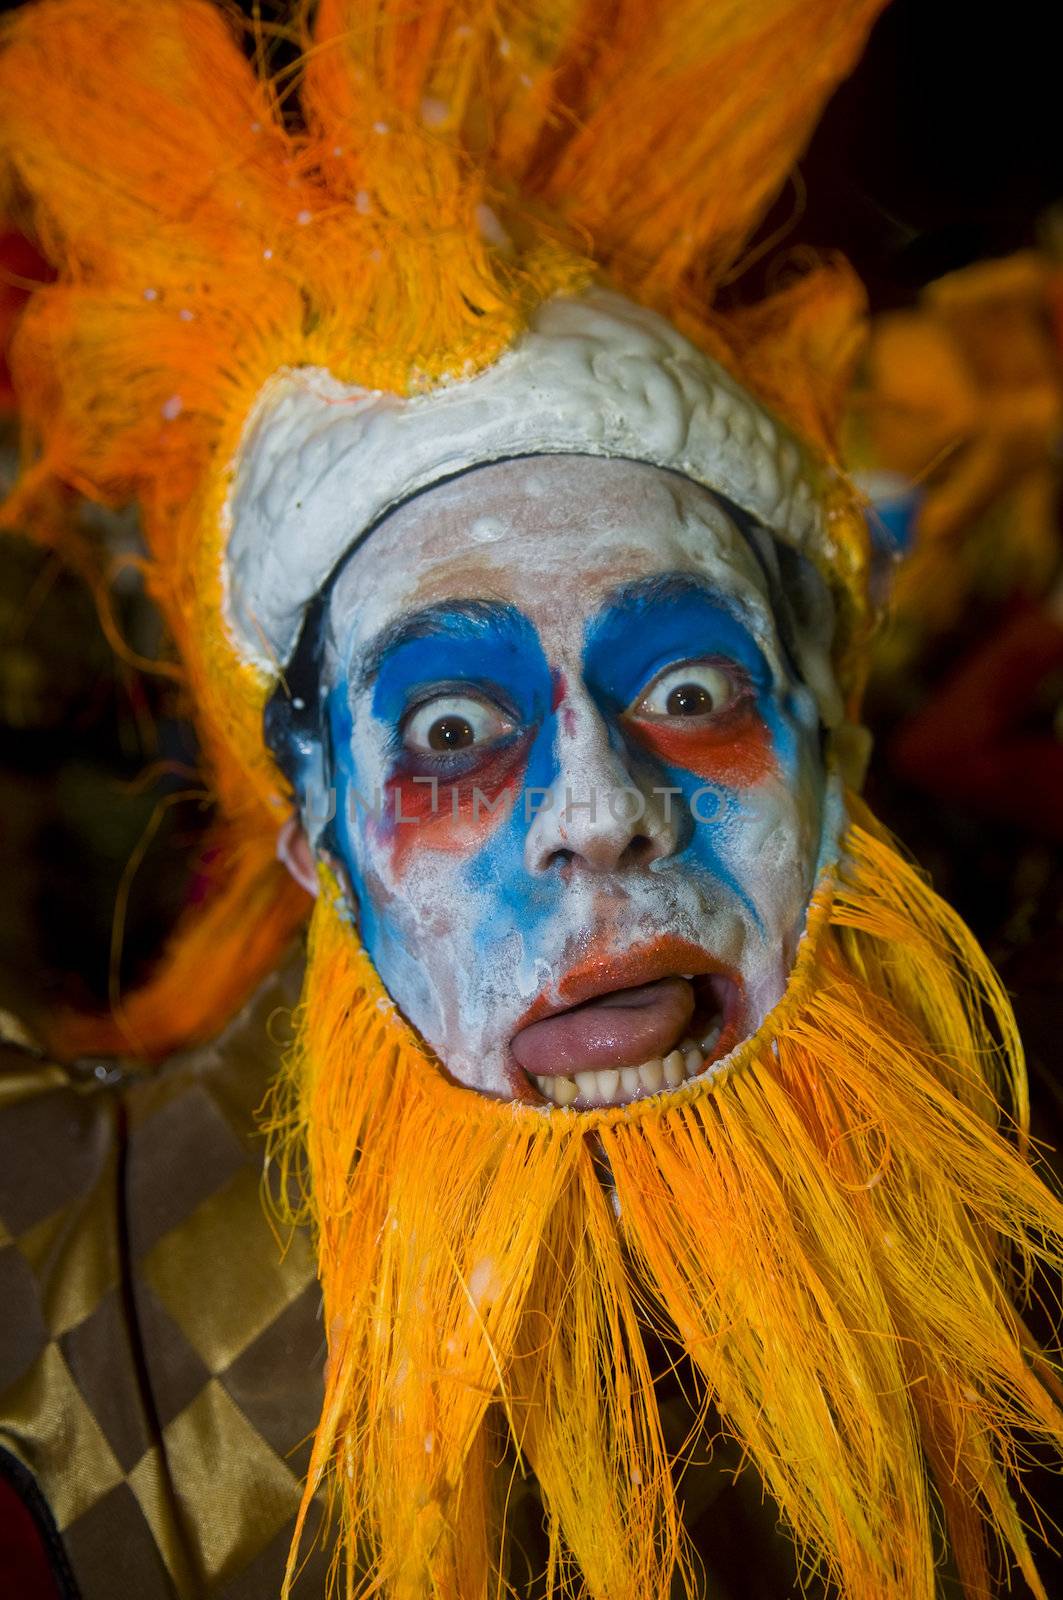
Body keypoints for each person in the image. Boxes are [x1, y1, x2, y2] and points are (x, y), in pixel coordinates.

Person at [2, 3, 1063, 1598]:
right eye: (446, 730)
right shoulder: (58, 1311)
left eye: (692, 694)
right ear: (316, 838)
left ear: (829, 758)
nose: (597, 814)